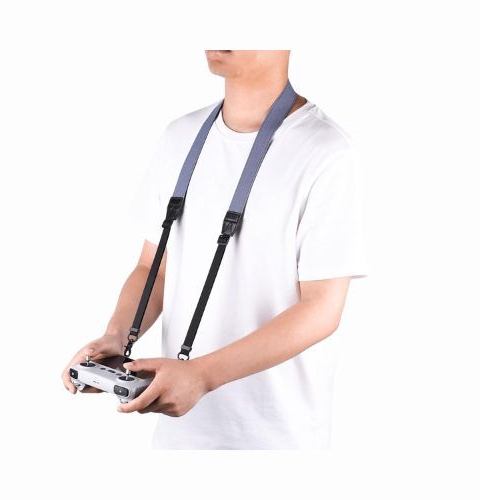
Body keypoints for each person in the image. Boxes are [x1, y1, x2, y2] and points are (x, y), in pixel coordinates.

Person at [62, 50, 368, 449]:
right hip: (178, 439)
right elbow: (154, 268)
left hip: (277, 442)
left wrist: (202, 375)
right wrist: (116, 337)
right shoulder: (180, 136)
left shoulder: (327, 152)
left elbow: (322, 309)